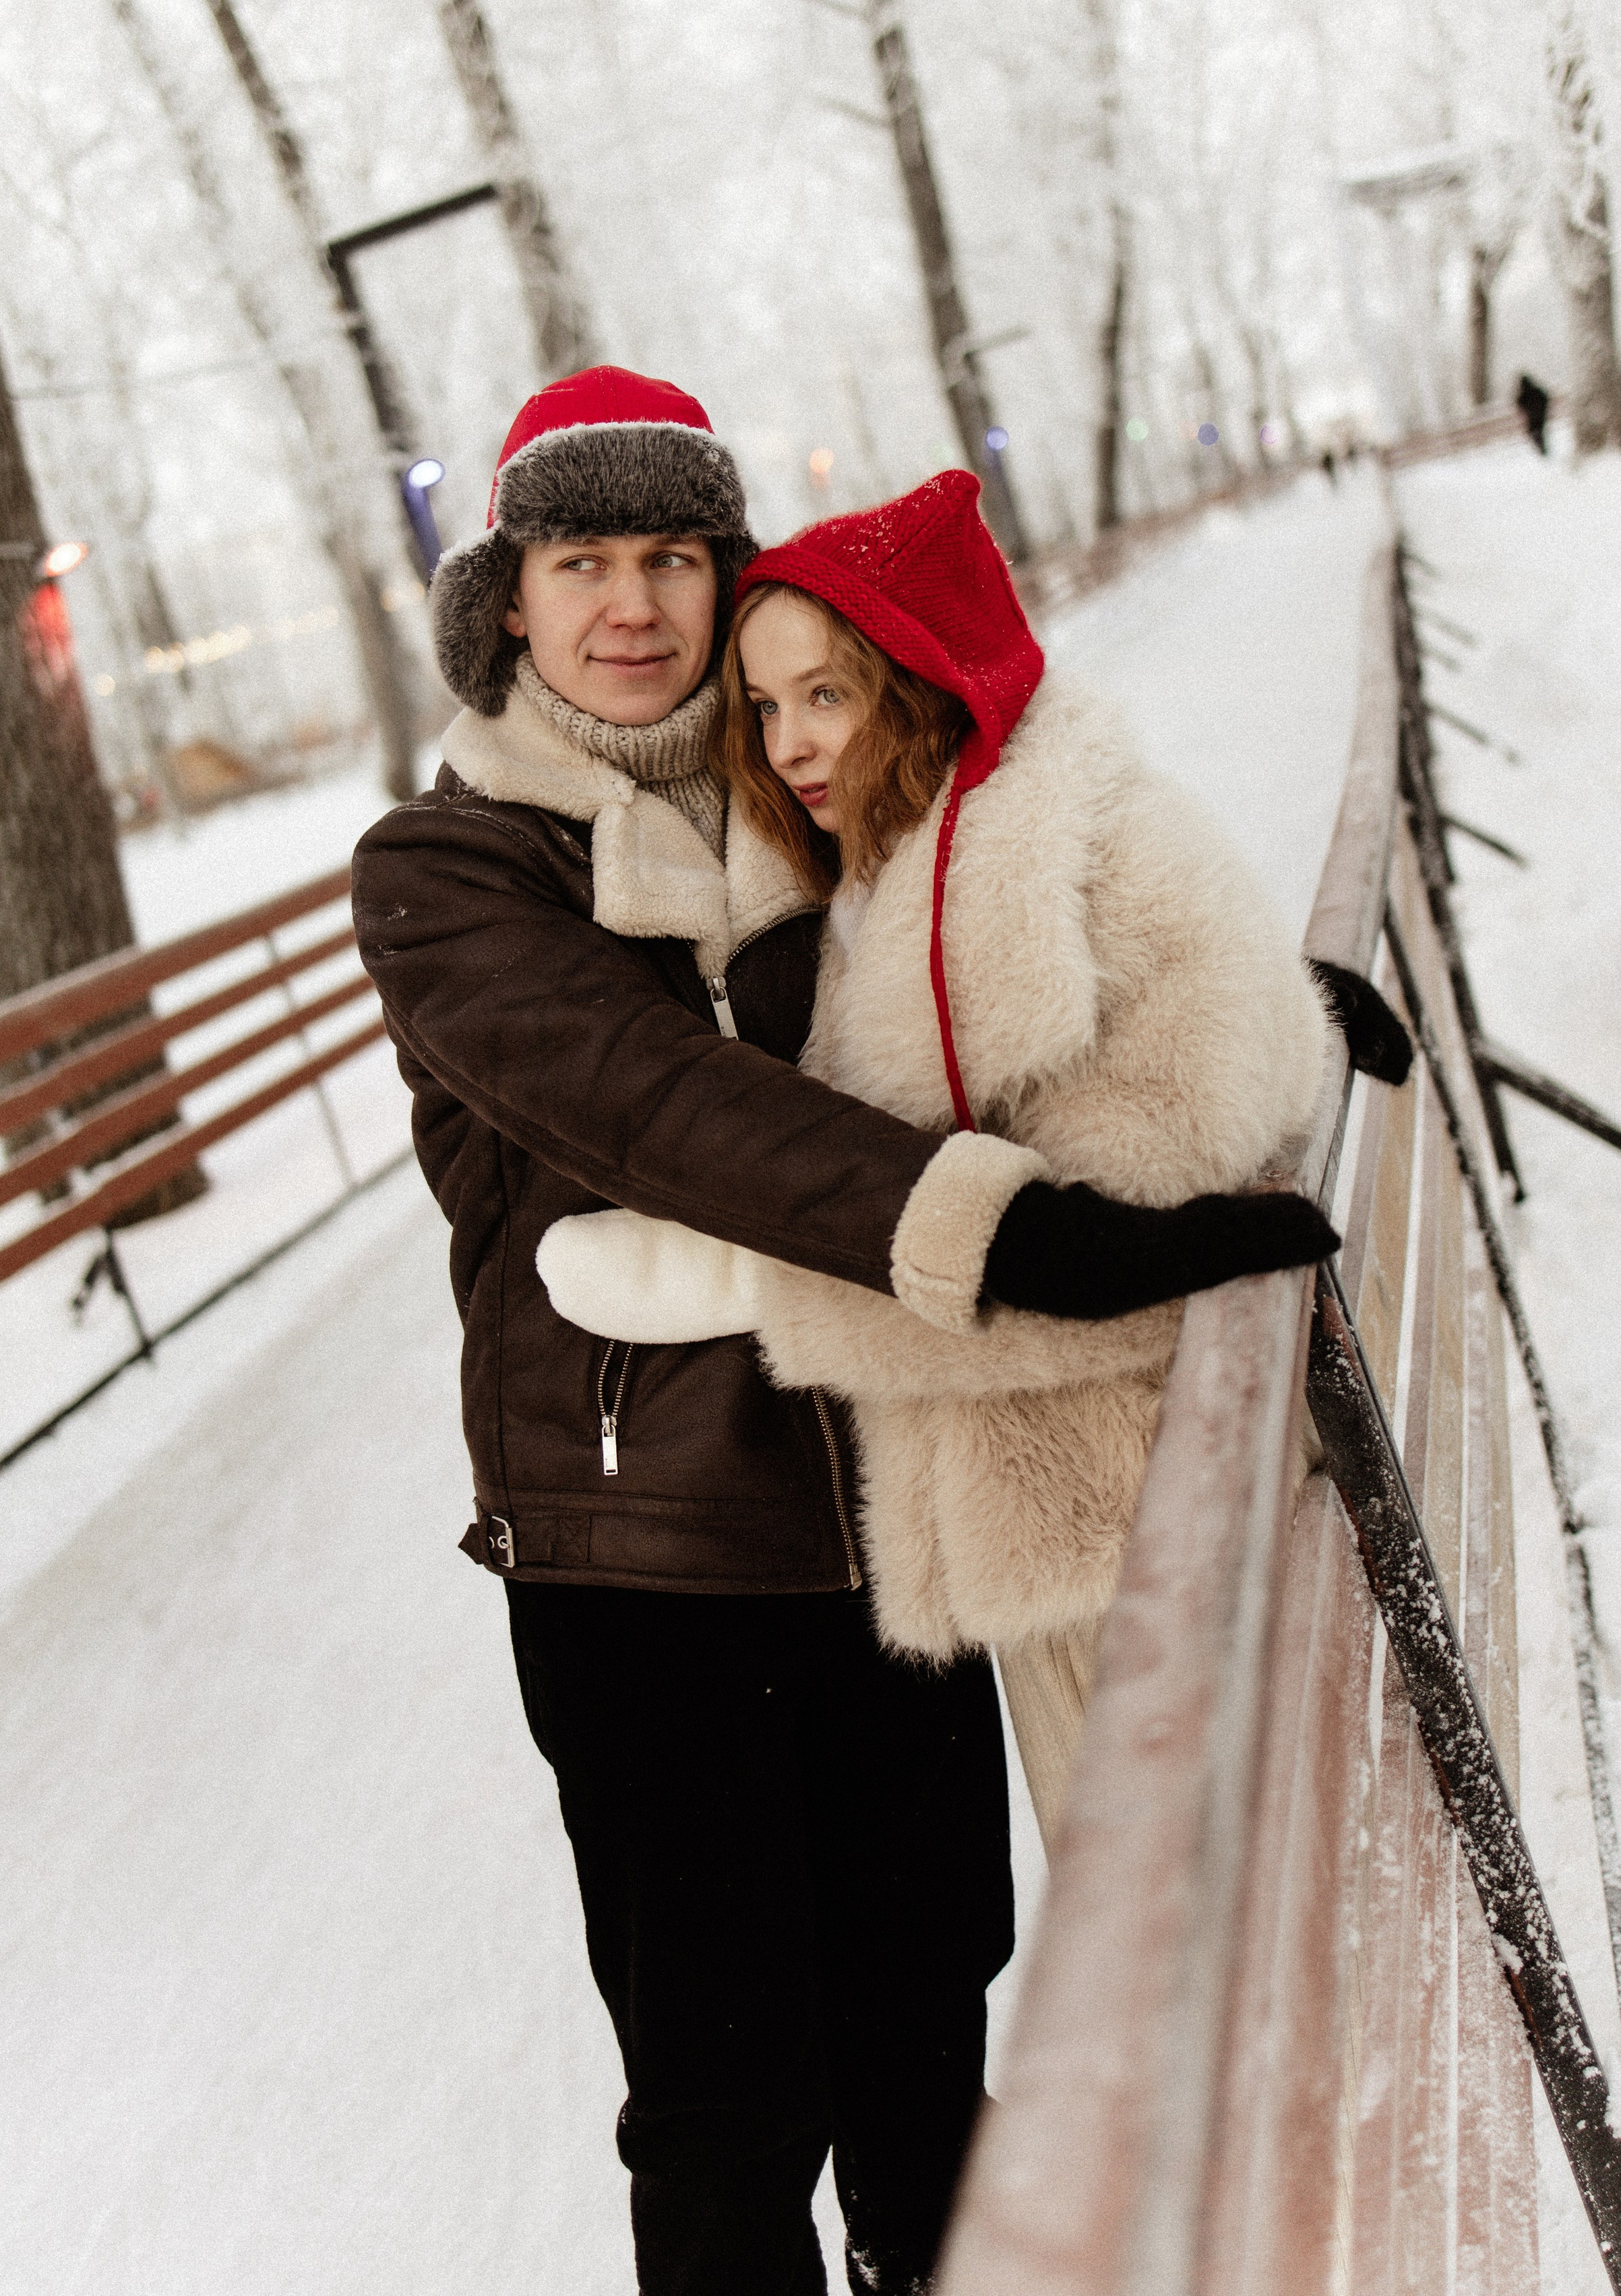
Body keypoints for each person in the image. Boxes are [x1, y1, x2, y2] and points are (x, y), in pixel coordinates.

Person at [352, 370, 1337, 2295]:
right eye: (581, 560)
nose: (630, 604)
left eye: (669, 556)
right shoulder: (453, 872)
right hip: (649, 1553)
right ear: (511, 601)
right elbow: (658, 1107)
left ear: (726, 581)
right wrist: (999, 1228)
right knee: (729, 2097)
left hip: (883, 1511)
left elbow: (1003, 942)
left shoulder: (801, 798)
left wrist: (1268, 1000)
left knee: (925, 2017)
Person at [539, 469, 1337, 1845]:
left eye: (826, 694)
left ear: (919, 679)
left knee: (1187, 1970)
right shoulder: (895, 874)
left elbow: (1113, 1254)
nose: (788, 742)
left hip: (1138, 1523)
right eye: (766, 704)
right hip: (1066, 1530)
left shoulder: (1044, 869)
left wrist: (747, 1290)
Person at [1516, 371, 1551, 456]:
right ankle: (1543, 448)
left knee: (1533, 432)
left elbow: (1519, 404)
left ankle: (1541, 448)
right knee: (1540, 432)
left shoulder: (1524, 394)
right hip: (1541, 415)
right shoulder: (1537, 390)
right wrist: (1544, 409)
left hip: (1532, 417)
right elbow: (1546, 397)